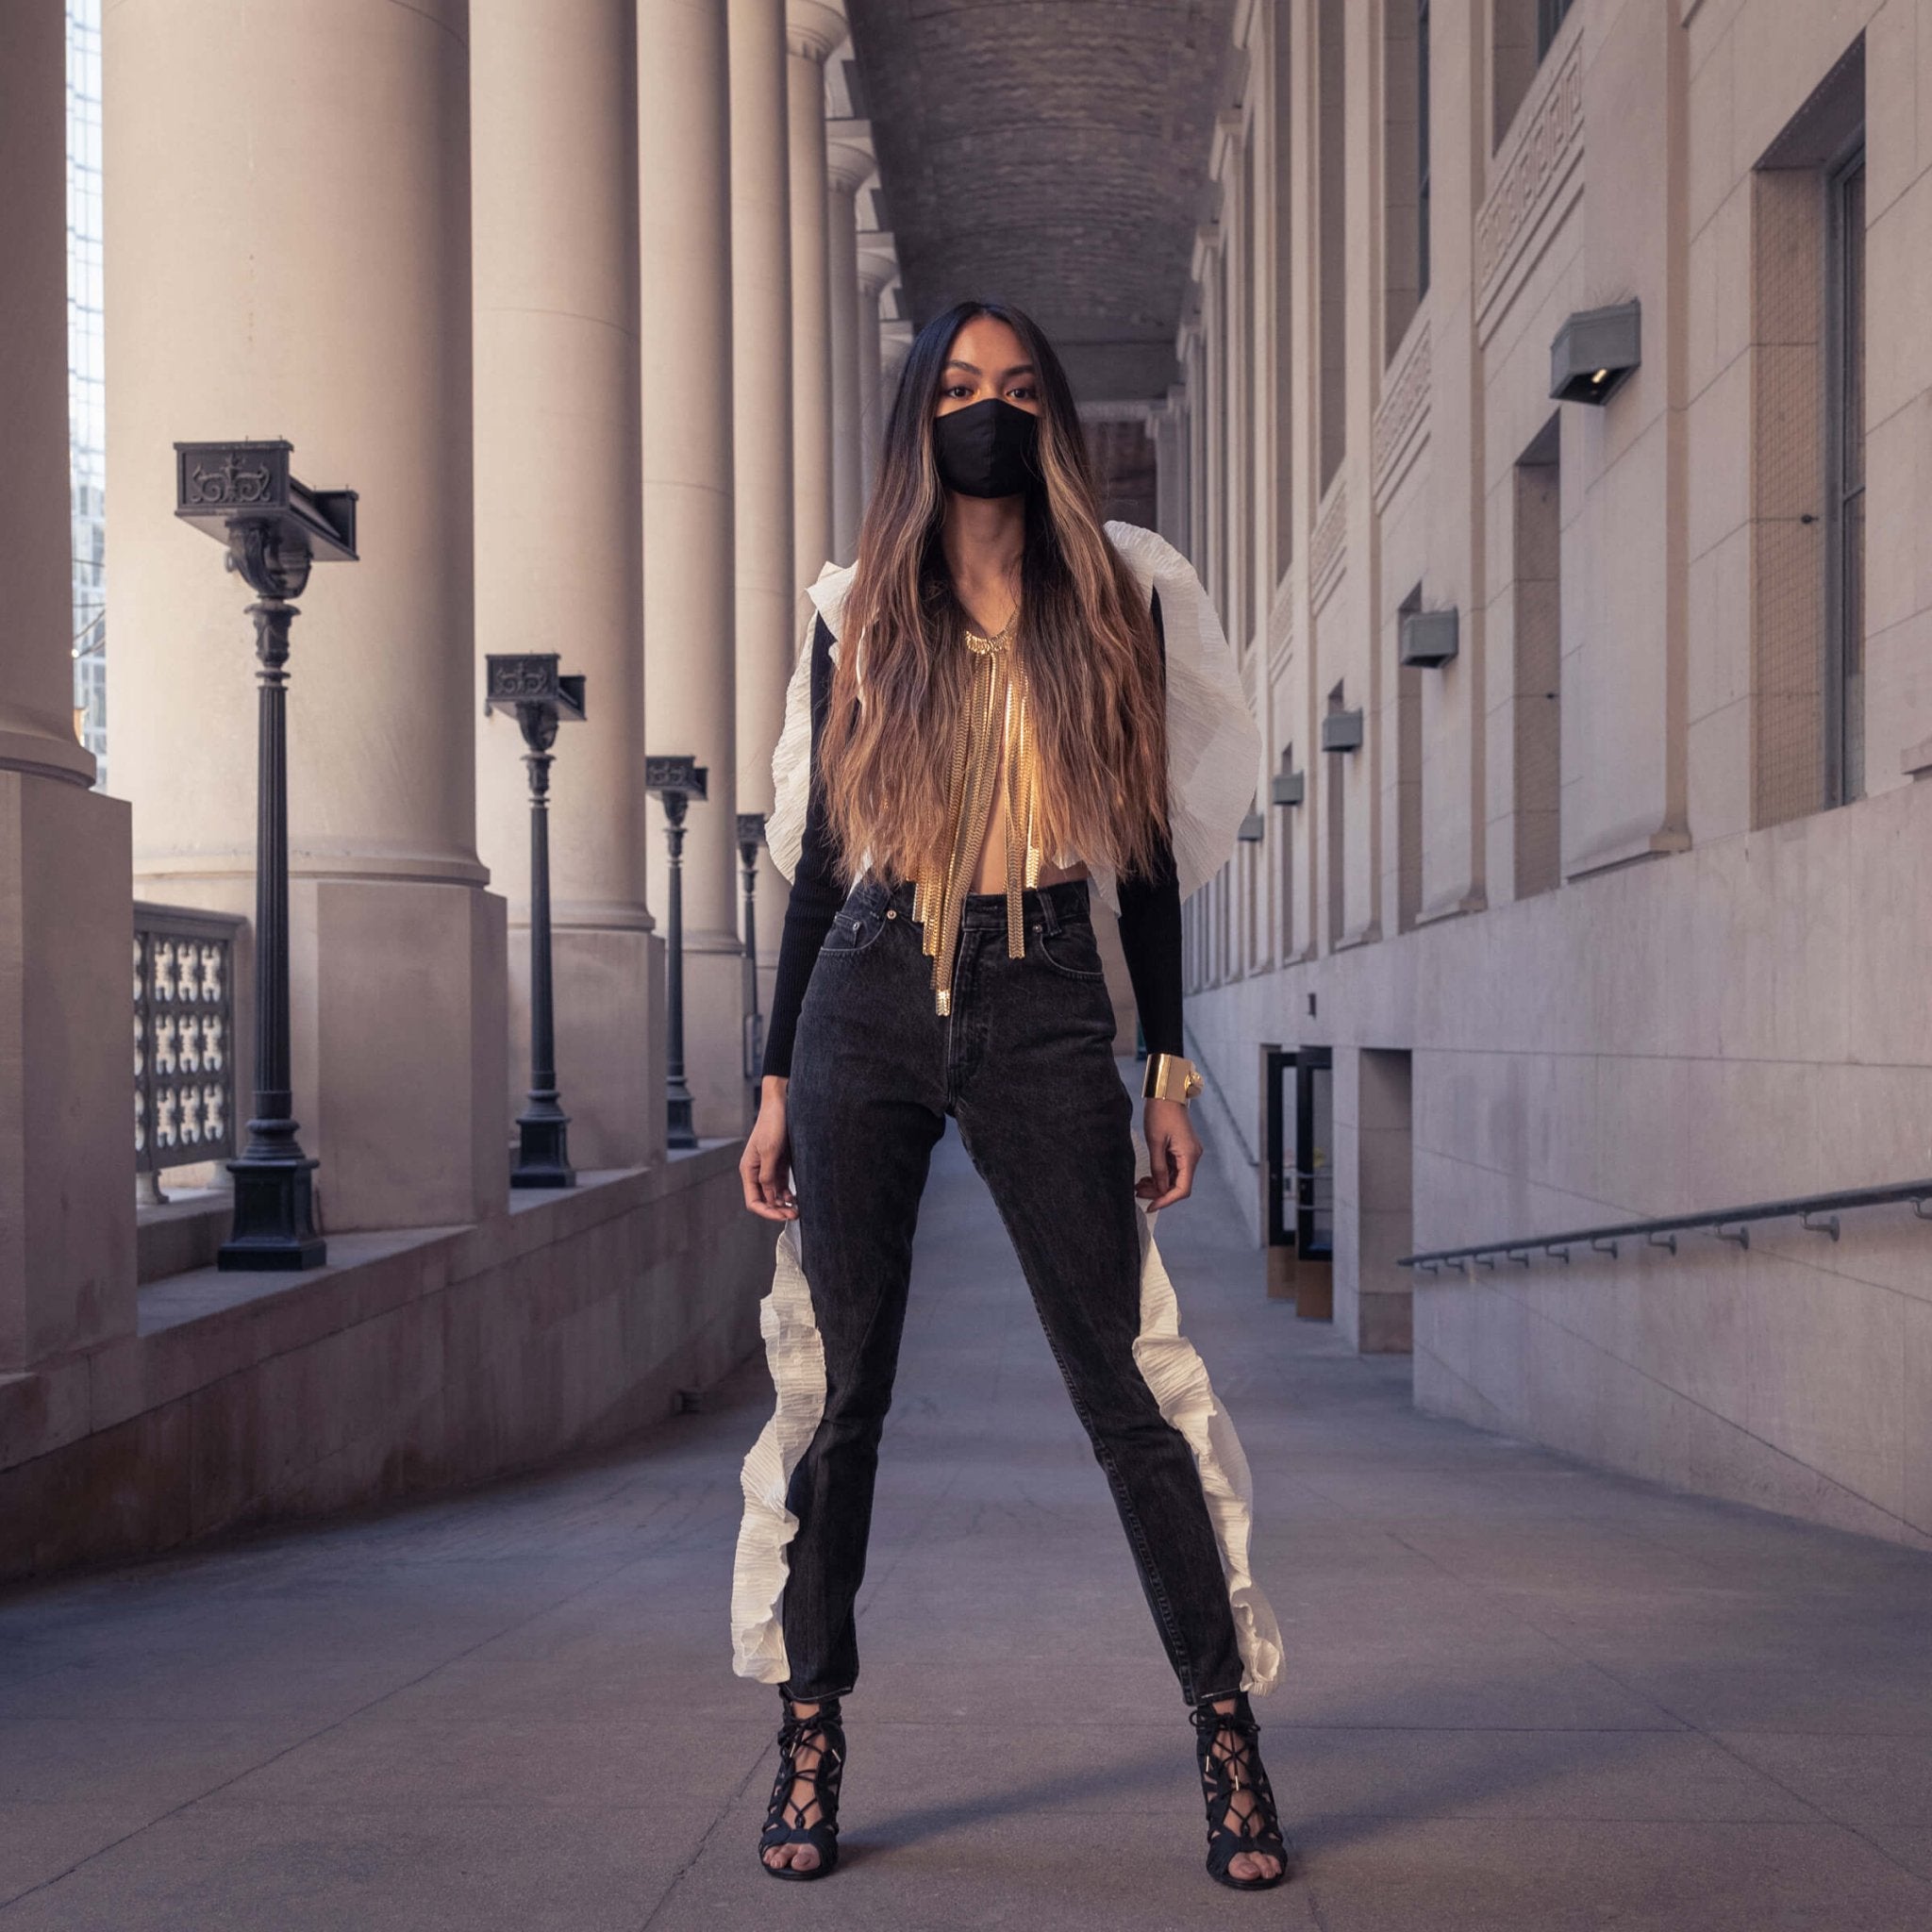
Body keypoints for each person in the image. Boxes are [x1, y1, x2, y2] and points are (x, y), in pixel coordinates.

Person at [732, 298, 1288, 1890]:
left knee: (1124, 1395)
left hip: (1047, 993)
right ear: (923, 413)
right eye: (962, 387)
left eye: (1019, 388)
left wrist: (1166, 1067)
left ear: (1050, 416)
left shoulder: (1118, 601)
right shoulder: (862, 616)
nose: (989, 410)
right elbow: (816, 864)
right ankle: (812, 1728)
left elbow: (1160, 865)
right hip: (865, 994)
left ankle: (1227, 1736)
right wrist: (775, 1079)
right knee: (844, 1398)